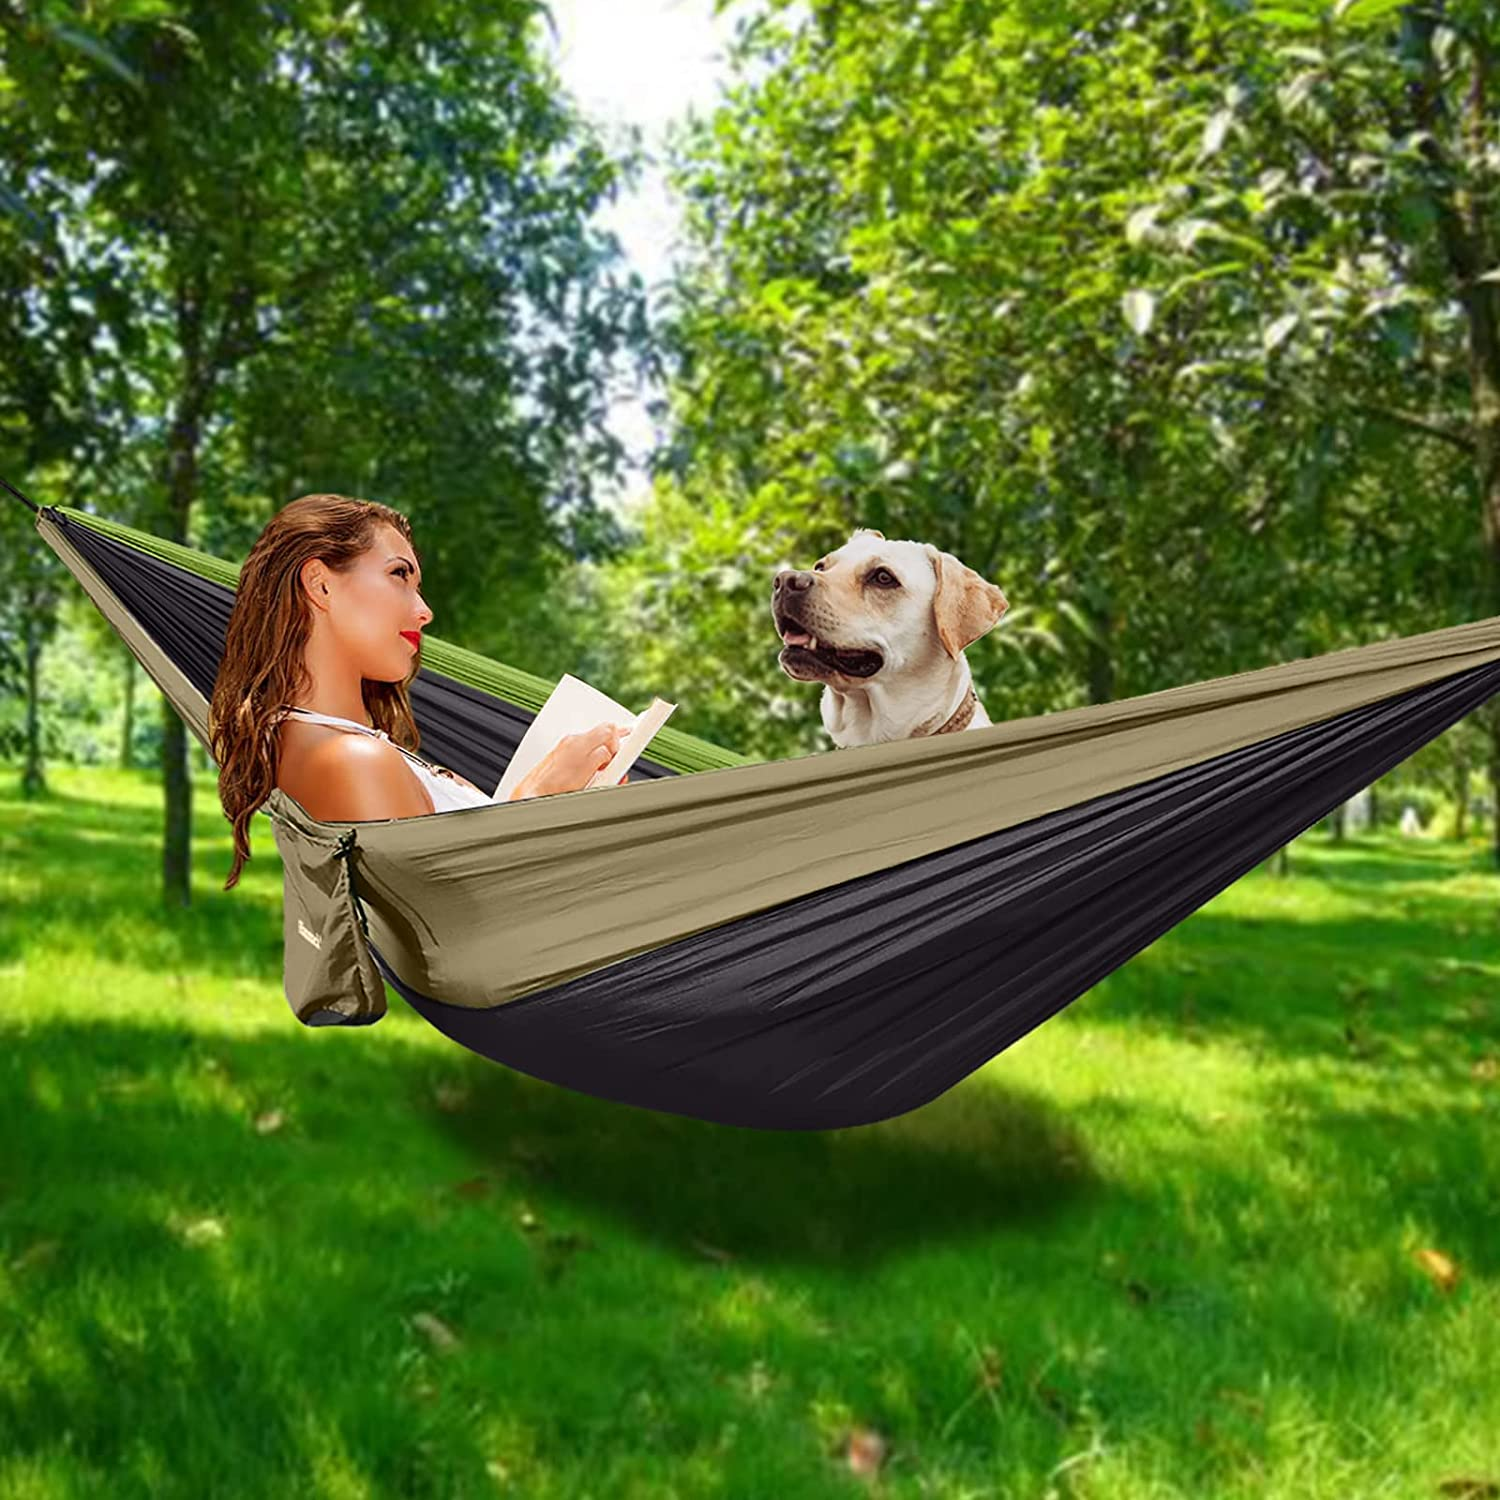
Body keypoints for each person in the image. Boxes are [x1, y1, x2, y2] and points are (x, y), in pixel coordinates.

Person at [210, 491, 629, 891]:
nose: (424, 611)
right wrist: (538, 797)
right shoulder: (352, 760)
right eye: (399, 575)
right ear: (320, 586)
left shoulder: (335, 743)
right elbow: (449, 933)